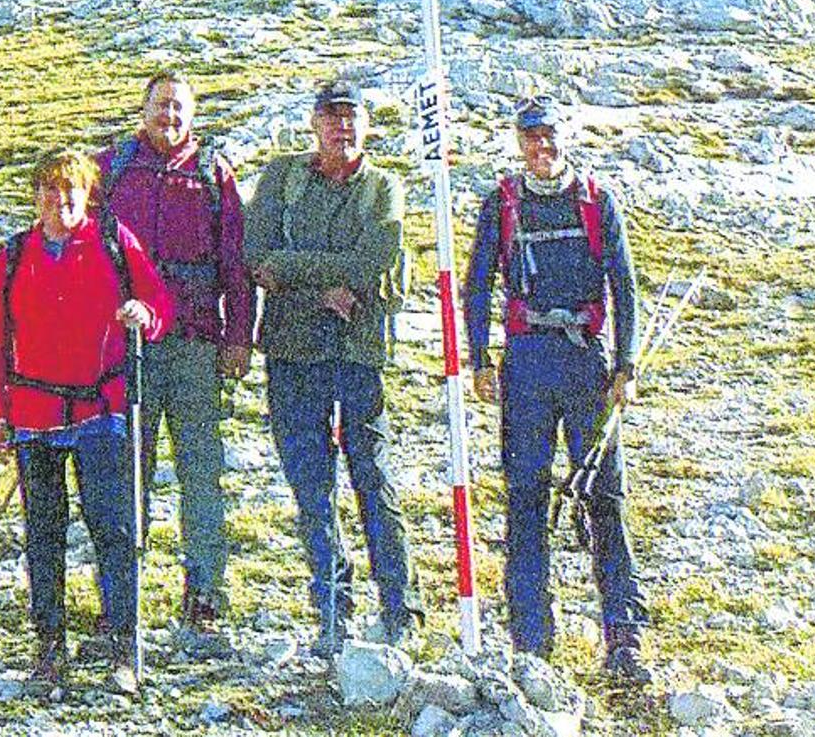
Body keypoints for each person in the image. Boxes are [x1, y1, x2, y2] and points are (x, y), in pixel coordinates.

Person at [463, 94, 650, 682]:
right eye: (530, 138)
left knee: (603, 496)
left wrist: (626, 364)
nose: (541, 148)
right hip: (525, 364)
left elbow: (626, 286)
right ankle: (531, 639)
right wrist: (480, 360)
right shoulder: (502, 204)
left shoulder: (597, 201)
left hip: (586, 363)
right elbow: (475, 287)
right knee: (525, 497)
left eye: (549, 136)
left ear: (564, 138)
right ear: (518, 143)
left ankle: (623, 635)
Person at [0, 150, 172, 696]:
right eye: (51, 191)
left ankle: (121, 645)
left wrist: (144, 316)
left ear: (87, 195)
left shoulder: (113, 241)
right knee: (43, 535)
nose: (62, 201)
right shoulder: (13, 256)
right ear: (36, 196)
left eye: (73, 191)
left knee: (113, 529)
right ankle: (49, 644)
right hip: (34, 416)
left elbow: (157, 300)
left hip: (99, 410)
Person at [244, 80, 423, 656]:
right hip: (294, 352)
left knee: (374, 477)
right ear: (313, 123)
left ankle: (401, 609)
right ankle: (332, 610)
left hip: (358, 352)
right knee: (311, 486)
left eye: (351, 119)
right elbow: (255, 257)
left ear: (365, 126)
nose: (341, 129)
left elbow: (375, 259)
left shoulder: (383, 187)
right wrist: (331, 281)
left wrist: (297, 272)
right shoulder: (281, 179)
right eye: (331, 118)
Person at [95, 71, 253, 633]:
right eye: (161, 106)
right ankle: (122, 600)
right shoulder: (110, 170)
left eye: (180, 108)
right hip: (126, 346)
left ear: (194, 115)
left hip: (194, 347)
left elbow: (235, 263)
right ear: (143, 110)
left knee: (200, 473)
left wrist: (239, 336)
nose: (170, 117)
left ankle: (205, 594)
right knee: (125, 475)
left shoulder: (213, 175)